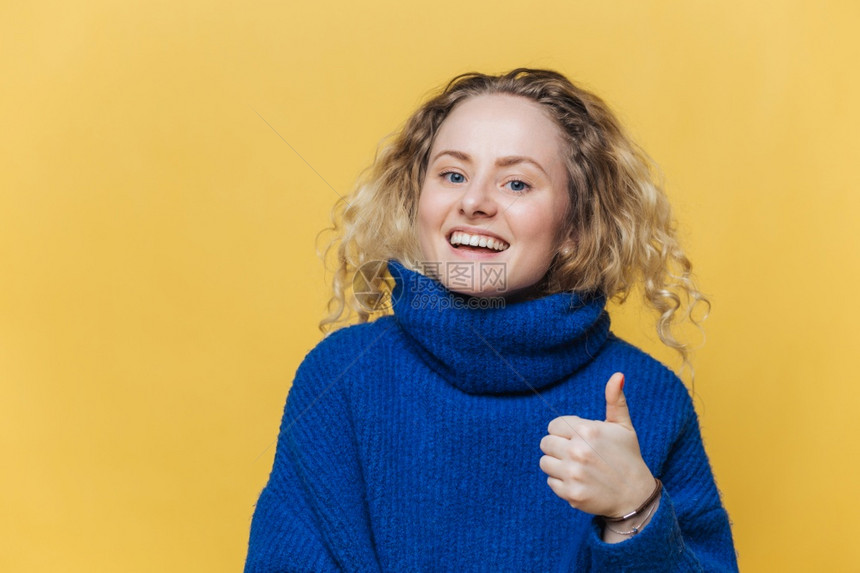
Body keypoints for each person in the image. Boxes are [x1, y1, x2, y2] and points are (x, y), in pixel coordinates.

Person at [244, 68, 738, 571]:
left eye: (517, 183)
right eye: (453, 175)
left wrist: (636, 513)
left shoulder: (650, 400)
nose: (474, 202)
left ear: (574, 227)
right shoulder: (340, 378)